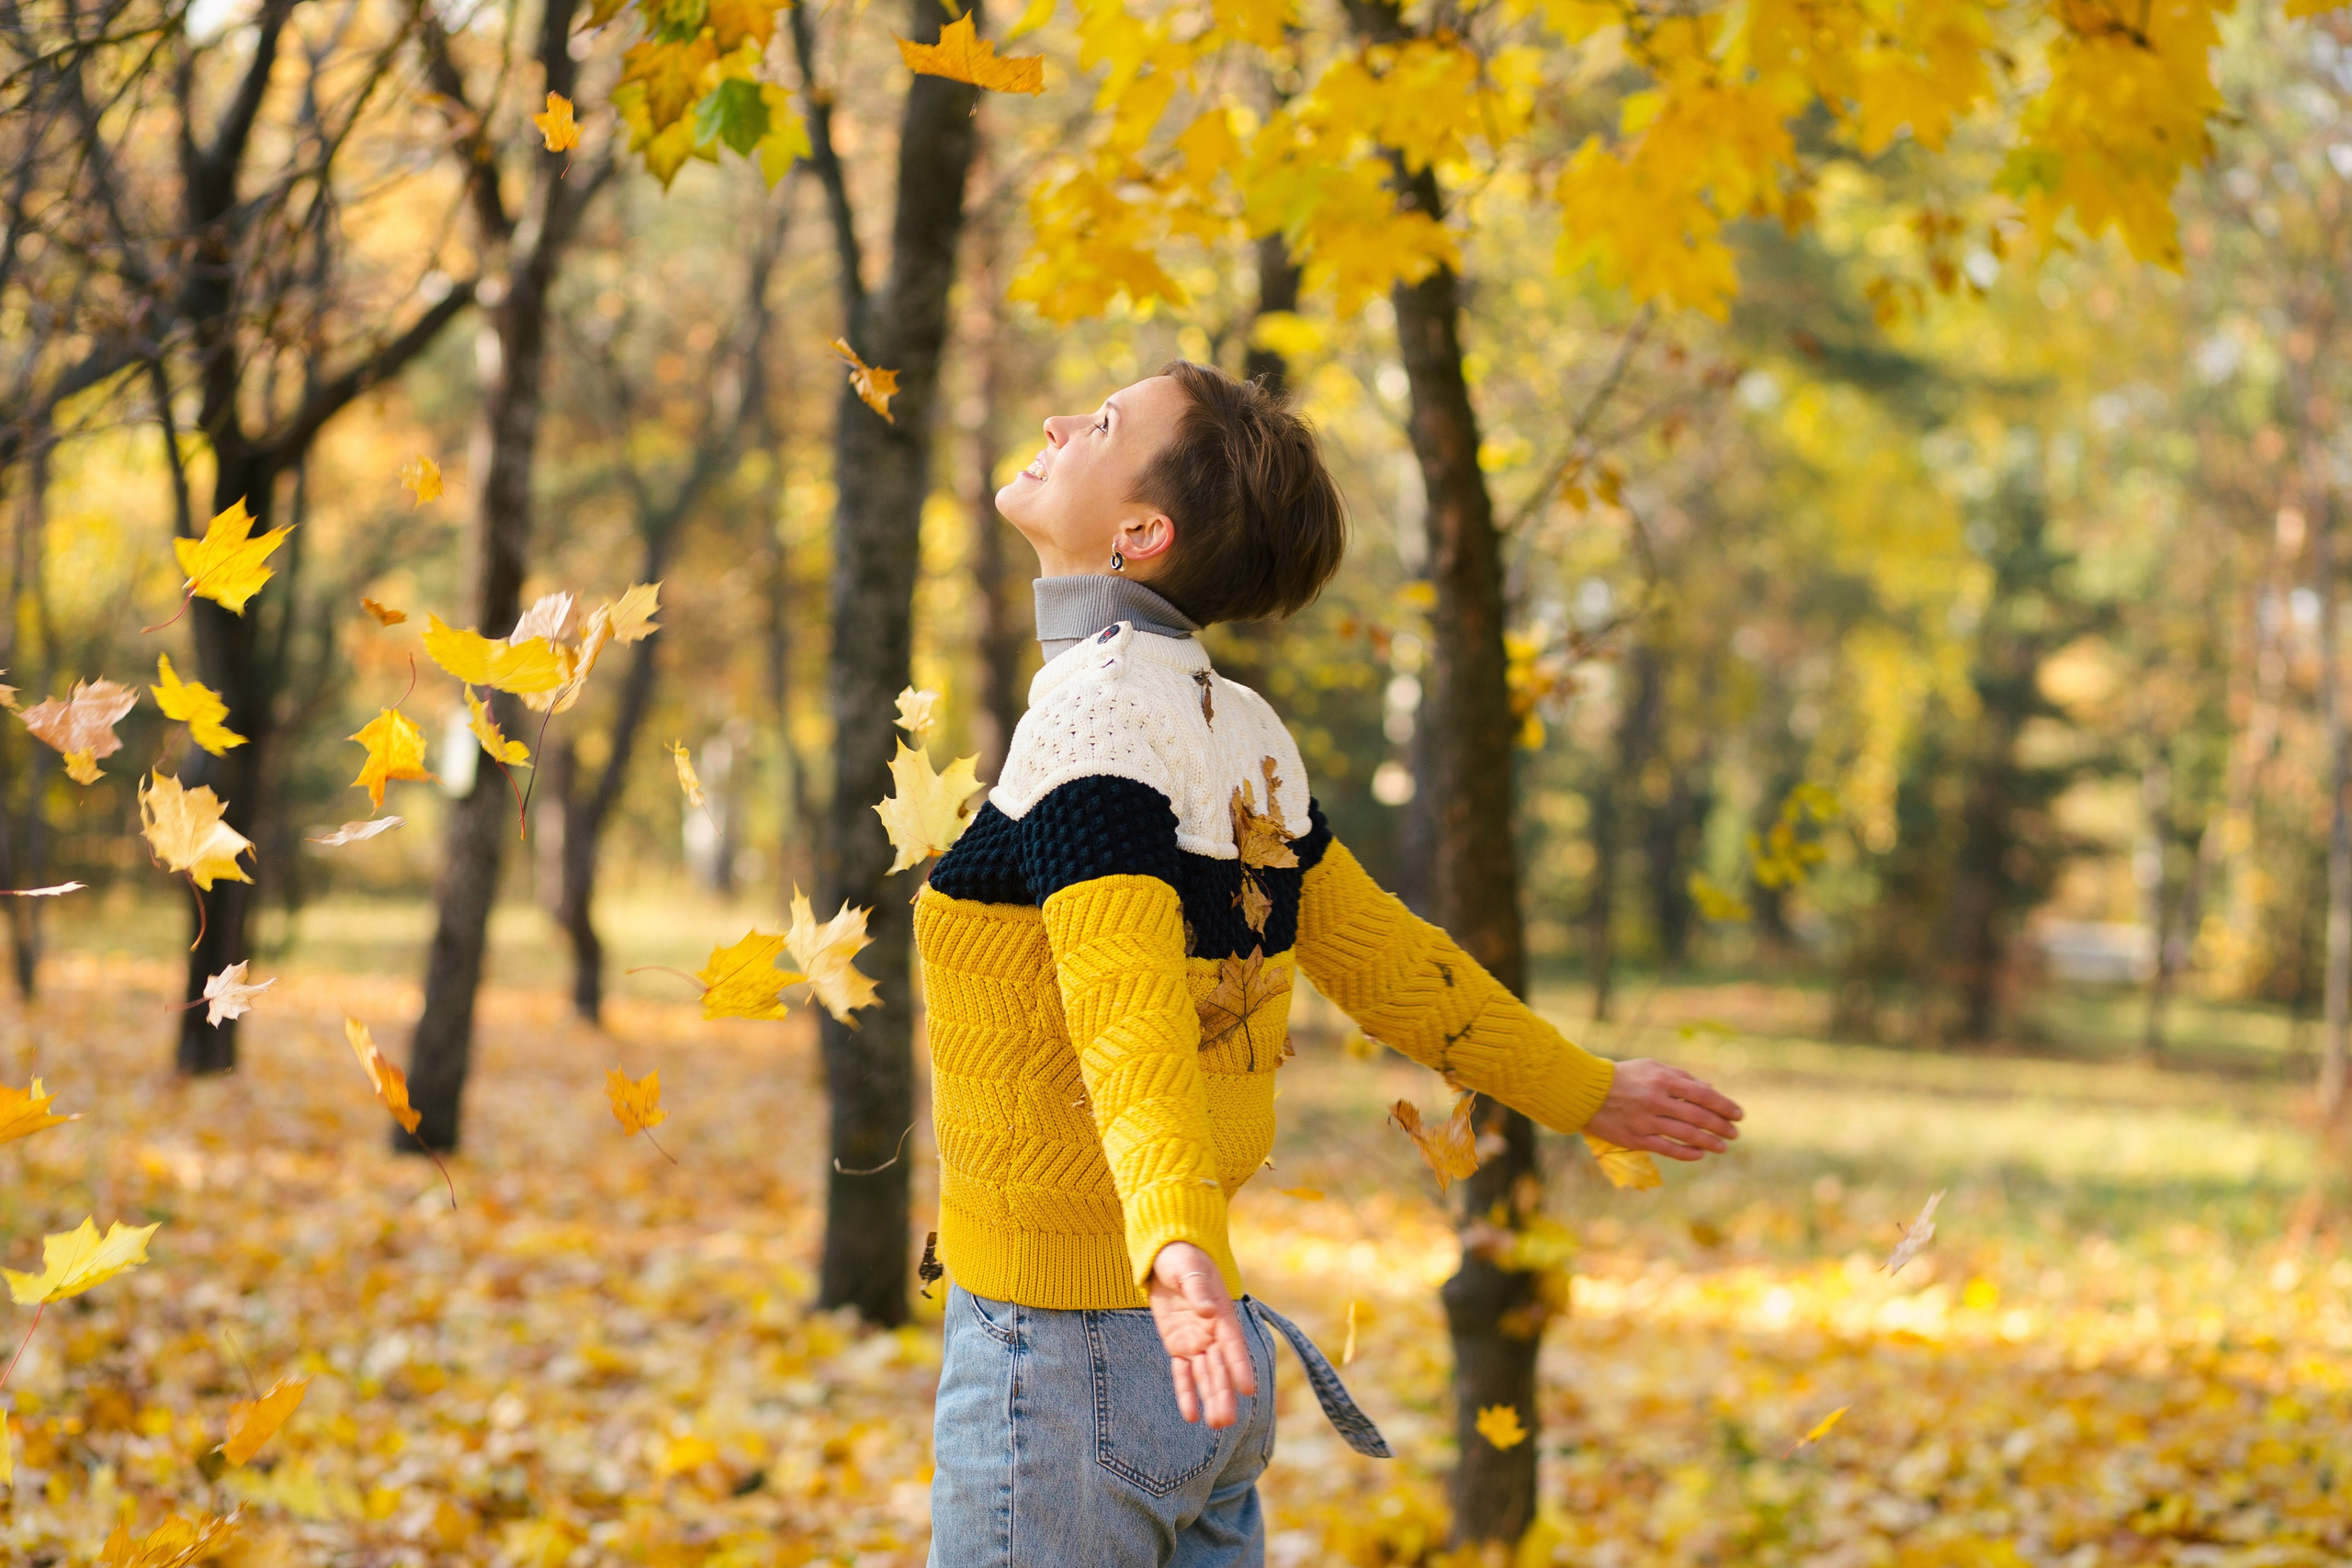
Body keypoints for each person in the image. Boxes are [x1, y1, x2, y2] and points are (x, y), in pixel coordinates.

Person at [916, 361, 1745, 1567]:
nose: (1054, 421)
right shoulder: (1238, 729)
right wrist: (1585, 1088)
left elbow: (1122, 1004)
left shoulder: (1094, 715)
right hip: (1201, 1357)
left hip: (1073, 1362)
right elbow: (1387, 960)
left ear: (1141, 533)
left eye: (1098, 424)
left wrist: (1172, 1241)